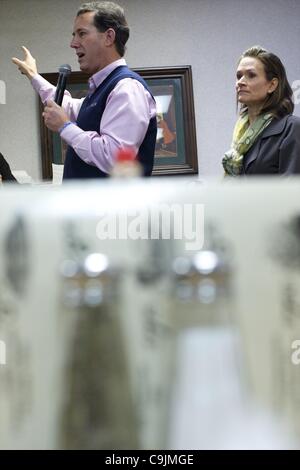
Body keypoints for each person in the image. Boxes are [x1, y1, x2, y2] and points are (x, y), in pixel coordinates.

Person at [12, 1, 157, 180]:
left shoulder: (127, 88)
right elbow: (67, 107)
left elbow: (116, 158)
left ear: (109, 37)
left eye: (82, 34)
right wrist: (33, 75)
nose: (73, 43)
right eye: (74, 35)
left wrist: (65, 127)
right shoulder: (103, 89)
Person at [222, 45, 300, 176]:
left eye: (251, 75)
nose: (240, 82)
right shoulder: (241, 133)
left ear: (272, 85)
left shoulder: (291, 128)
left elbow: (291, 191)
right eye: (238, 76)